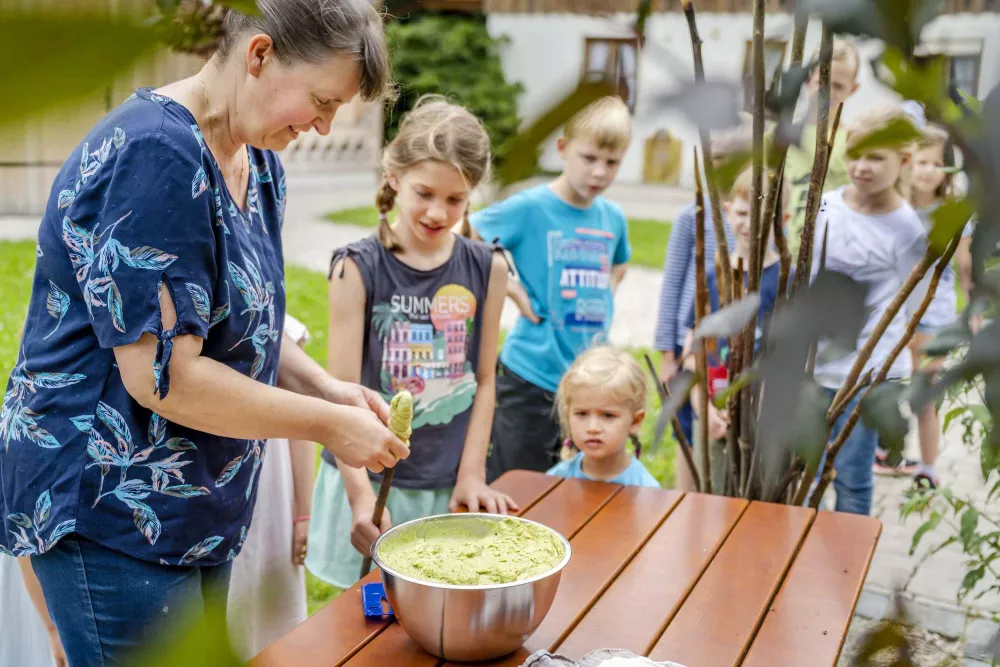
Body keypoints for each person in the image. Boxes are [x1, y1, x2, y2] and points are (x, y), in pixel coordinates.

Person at [0, 2, 408, 665]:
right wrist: (328, 426)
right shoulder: (155, 155)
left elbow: (244, 331)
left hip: (190, 503)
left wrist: (332, 391)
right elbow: (166, 376)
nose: (324, 125)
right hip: (108, 507)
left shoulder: (260, 159)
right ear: (259, 55)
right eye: (321, 101)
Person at [306, 98, 517, 591]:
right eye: (425, 192)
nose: (438, 212)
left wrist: (471, 476)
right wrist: (360, 498)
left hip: (446, 485)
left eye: (456, 200)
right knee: (364, 626)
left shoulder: (490, 268)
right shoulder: (357, 267)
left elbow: (485, 381)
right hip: (369, 482)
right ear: (394, 175)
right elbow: (341, 394)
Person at [470, 96, 633, 481]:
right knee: (519, 482)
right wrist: (508, 287)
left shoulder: (613, 216)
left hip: (586, 384)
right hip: (531, 377)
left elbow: (620, 260)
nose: (599, 172)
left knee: (576, 484)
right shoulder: (529, 208)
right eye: (589, 158)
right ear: (562, 149)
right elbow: (466, 236)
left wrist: (605, 290)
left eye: (611, 163)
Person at [811, 103, 926, 515]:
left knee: (852, 478)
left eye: (876, 157)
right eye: (855, 154)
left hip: (868, 377)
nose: (862, 167)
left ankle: (844, 571)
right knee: (804, 475)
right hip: (814, 369)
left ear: (904, 161)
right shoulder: (825, 205)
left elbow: (911, 308)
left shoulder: (906, 226)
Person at [872, 123, 974, 489]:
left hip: (933, 315)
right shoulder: (891, 206)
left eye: (936, 163)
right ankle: (883, 449)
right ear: (906, 164)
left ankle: (928, 467)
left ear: (947, 169)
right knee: (881, 387)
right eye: (920, 162)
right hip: (892, 312)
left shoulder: (954, 212)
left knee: (924, 395)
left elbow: (966, 266)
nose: (928, 170)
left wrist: (975, 312)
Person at [679, 167, 791, 492]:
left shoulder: (786, 279)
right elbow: (694, 347)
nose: (750, 225)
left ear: (782, 221)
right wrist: (704, 408)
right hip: (717, 414)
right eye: (742, 213)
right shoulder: (714, 275)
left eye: (763, 217)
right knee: (713, 499)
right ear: (727, 213)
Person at [653, 126, 750, 446]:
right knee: (690, 425)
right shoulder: (690, 216)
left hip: (732, 346)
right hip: (689, 342)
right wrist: (668, 354)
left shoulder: (752, 217)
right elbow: (672, 284)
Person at [227, 314, 314, 662]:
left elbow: (301, 424)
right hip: (212, 500)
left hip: (270, 500)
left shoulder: (276, 321)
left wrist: (303, 513)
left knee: (272, 625)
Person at [784, 37, 863, 256]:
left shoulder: (854, 142)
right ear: (809, 77)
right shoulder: (780, 136)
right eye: (822, 82)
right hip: (779, 257)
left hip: (831, 257)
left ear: (853, 89)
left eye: (838, 86)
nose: (827, 92)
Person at [546, 346, 659, 488]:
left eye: (608, 415)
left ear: (635, 421)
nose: (592, 428)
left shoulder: (646, 491)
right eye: (582, 414)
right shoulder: (554, 482)